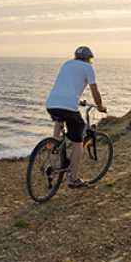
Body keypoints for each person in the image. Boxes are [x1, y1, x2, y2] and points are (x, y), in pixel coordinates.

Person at [45, 46, 106, 188]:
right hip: (68, 107)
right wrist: (101, 106)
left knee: (59, 121)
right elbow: (94, 90)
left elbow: (65, 87)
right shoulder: (88, 68)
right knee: (78, 143)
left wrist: (78, 101)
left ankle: (54, 148)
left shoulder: (66, 64)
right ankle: (73, 179)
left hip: (52, 103)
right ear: (89, 58)